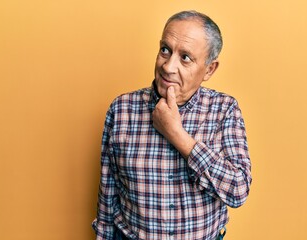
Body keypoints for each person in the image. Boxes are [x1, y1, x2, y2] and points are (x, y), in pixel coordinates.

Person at [92, 10, 252, 240]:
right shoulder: (121, 109)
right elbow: (108, 194)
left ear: (209, 69)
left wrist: (177, 135)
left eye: (185, 57)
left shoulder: (224, 110)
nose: (168, 67)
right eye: (165, 50)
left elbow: (237, 190)